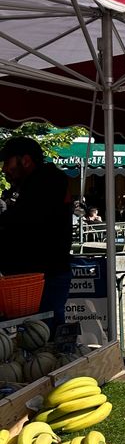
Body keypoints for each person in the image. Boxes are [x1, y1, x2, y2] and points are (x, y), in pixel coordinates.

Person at [0, 136, 72, 329]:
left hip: (45, 276)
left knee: (43, 338)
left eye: (8, 162)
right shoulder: (36, 184)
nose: (5, 169)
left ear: (25, 160)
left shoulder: (46, 182)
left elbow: (24, 222)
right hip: (41, 275)